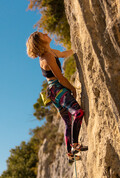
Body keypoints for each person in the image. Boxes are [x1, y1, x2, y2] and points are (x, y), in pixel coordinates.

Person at [26, 31, 87, 161]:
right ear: (41, 41)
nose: (46, 34)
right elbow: (60, 78)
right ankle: (74, 144)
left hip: (54, 93)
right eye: (43, 35)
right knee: (78, 113)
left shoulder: (50, 52)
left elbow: (63, 54)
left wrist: (77, 48)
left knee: (68, 123)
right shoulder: (47, 56)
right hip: (58, 90)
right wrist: (73, 88)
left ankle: (70, 153)